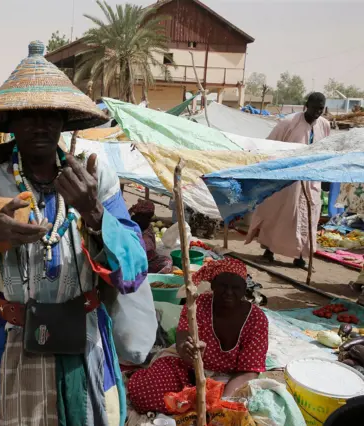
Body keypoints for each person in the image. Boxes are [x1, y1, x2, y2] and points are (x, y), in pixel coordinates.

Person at [0, 41, 148, 426]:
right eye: (28, 115)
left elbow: (135, 268)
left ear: (65, 119)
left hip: (86, 344)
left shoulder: (94, 176)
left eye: (51, 114)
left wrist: (92, 212)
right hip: (14, 343)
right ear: (10, 122)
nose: (41, 124)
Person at [127, 258, 269, 414]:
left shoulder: (256, 320)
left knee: (237, 410)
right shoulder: (200, 304)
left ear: (244, 289)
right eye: (223, 285)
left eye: (235, 287)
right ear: (213, 286)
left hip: (228, 379)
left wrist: (221, 403)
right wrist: (189, 351)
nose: (229, 292)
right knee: (146, 396)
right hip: (187, 367)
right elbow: (182, 337)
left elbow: (249, 371)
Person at [246, 92, 330, 269]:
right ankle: (269, 252)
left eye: (321, 109)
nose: (317, 113)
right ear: (306, 105)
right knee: (278, 215)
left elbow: (327, 151)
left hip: (312, 179)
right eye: (315, 108)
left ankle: (300, 257)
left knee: (309, 216)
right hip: (286, 179)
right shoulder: (288, 123)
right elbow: (269, 147)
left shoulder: (325, 125)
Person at [129, 199, 173, 274]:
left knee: (167, 260)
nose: (148, 219)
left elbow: (153, 248)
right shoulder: (130, 225)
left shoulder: (148, 226)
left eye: (149, 217)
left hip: (148, 260)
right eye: (144, 215)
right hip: (134, 262)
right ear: (138, 214)